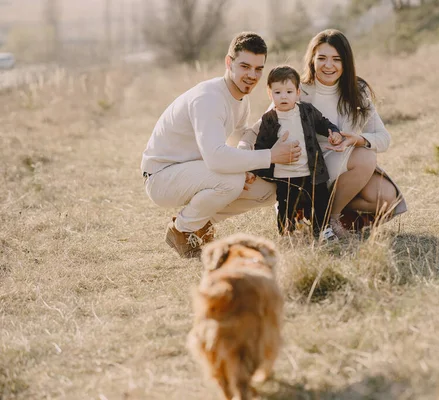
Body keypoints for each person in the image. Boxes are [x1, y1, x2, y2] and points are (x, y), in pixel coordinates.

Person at [141, 32, 301, 259]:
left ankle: (201, 224)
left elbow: (241, 137)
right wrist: (270, 156)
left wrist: (270, 120)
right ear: (229, 62)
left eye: (258, 69)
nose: (252, 75)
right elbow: (216, 158)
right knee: (232, 179)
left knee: (269, 191)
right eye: (245, 66)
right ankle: (181, 230)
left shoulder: (241, 99)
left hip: (195, 171)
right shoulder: (209, 98)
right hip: (161, 176)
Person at [242, 29, 407, 238]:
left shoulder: (357, 90)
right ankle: (332, 218)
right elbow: (259, 128)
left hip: (341, 164)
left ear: (346, 62)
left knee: (386, 198)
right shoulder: (298, 89)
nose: (328, 66)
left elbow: (384, 138)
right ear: (312, 60)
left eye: (336, 59)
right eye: (322, 58)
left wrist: (358, 139)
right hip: (307, 168)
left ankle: (323, 211)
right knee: (366, 158)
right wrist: (243, 156)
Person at [251, 65, 343, 240]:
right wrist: (255, 169)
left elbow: (324, 123)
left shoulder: (306, 111)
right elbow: (261, 146)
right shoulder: (269, 119)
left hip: (312, 171)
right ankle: (287, 233)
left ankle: (323, 230)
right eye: (277, 92)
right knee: (286, 205)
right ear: (270, 94)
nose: (283, 96)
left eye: (289, 91)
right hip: (284, 175)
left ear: (298, 92)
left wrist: (334, 132)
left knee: (321, 202)